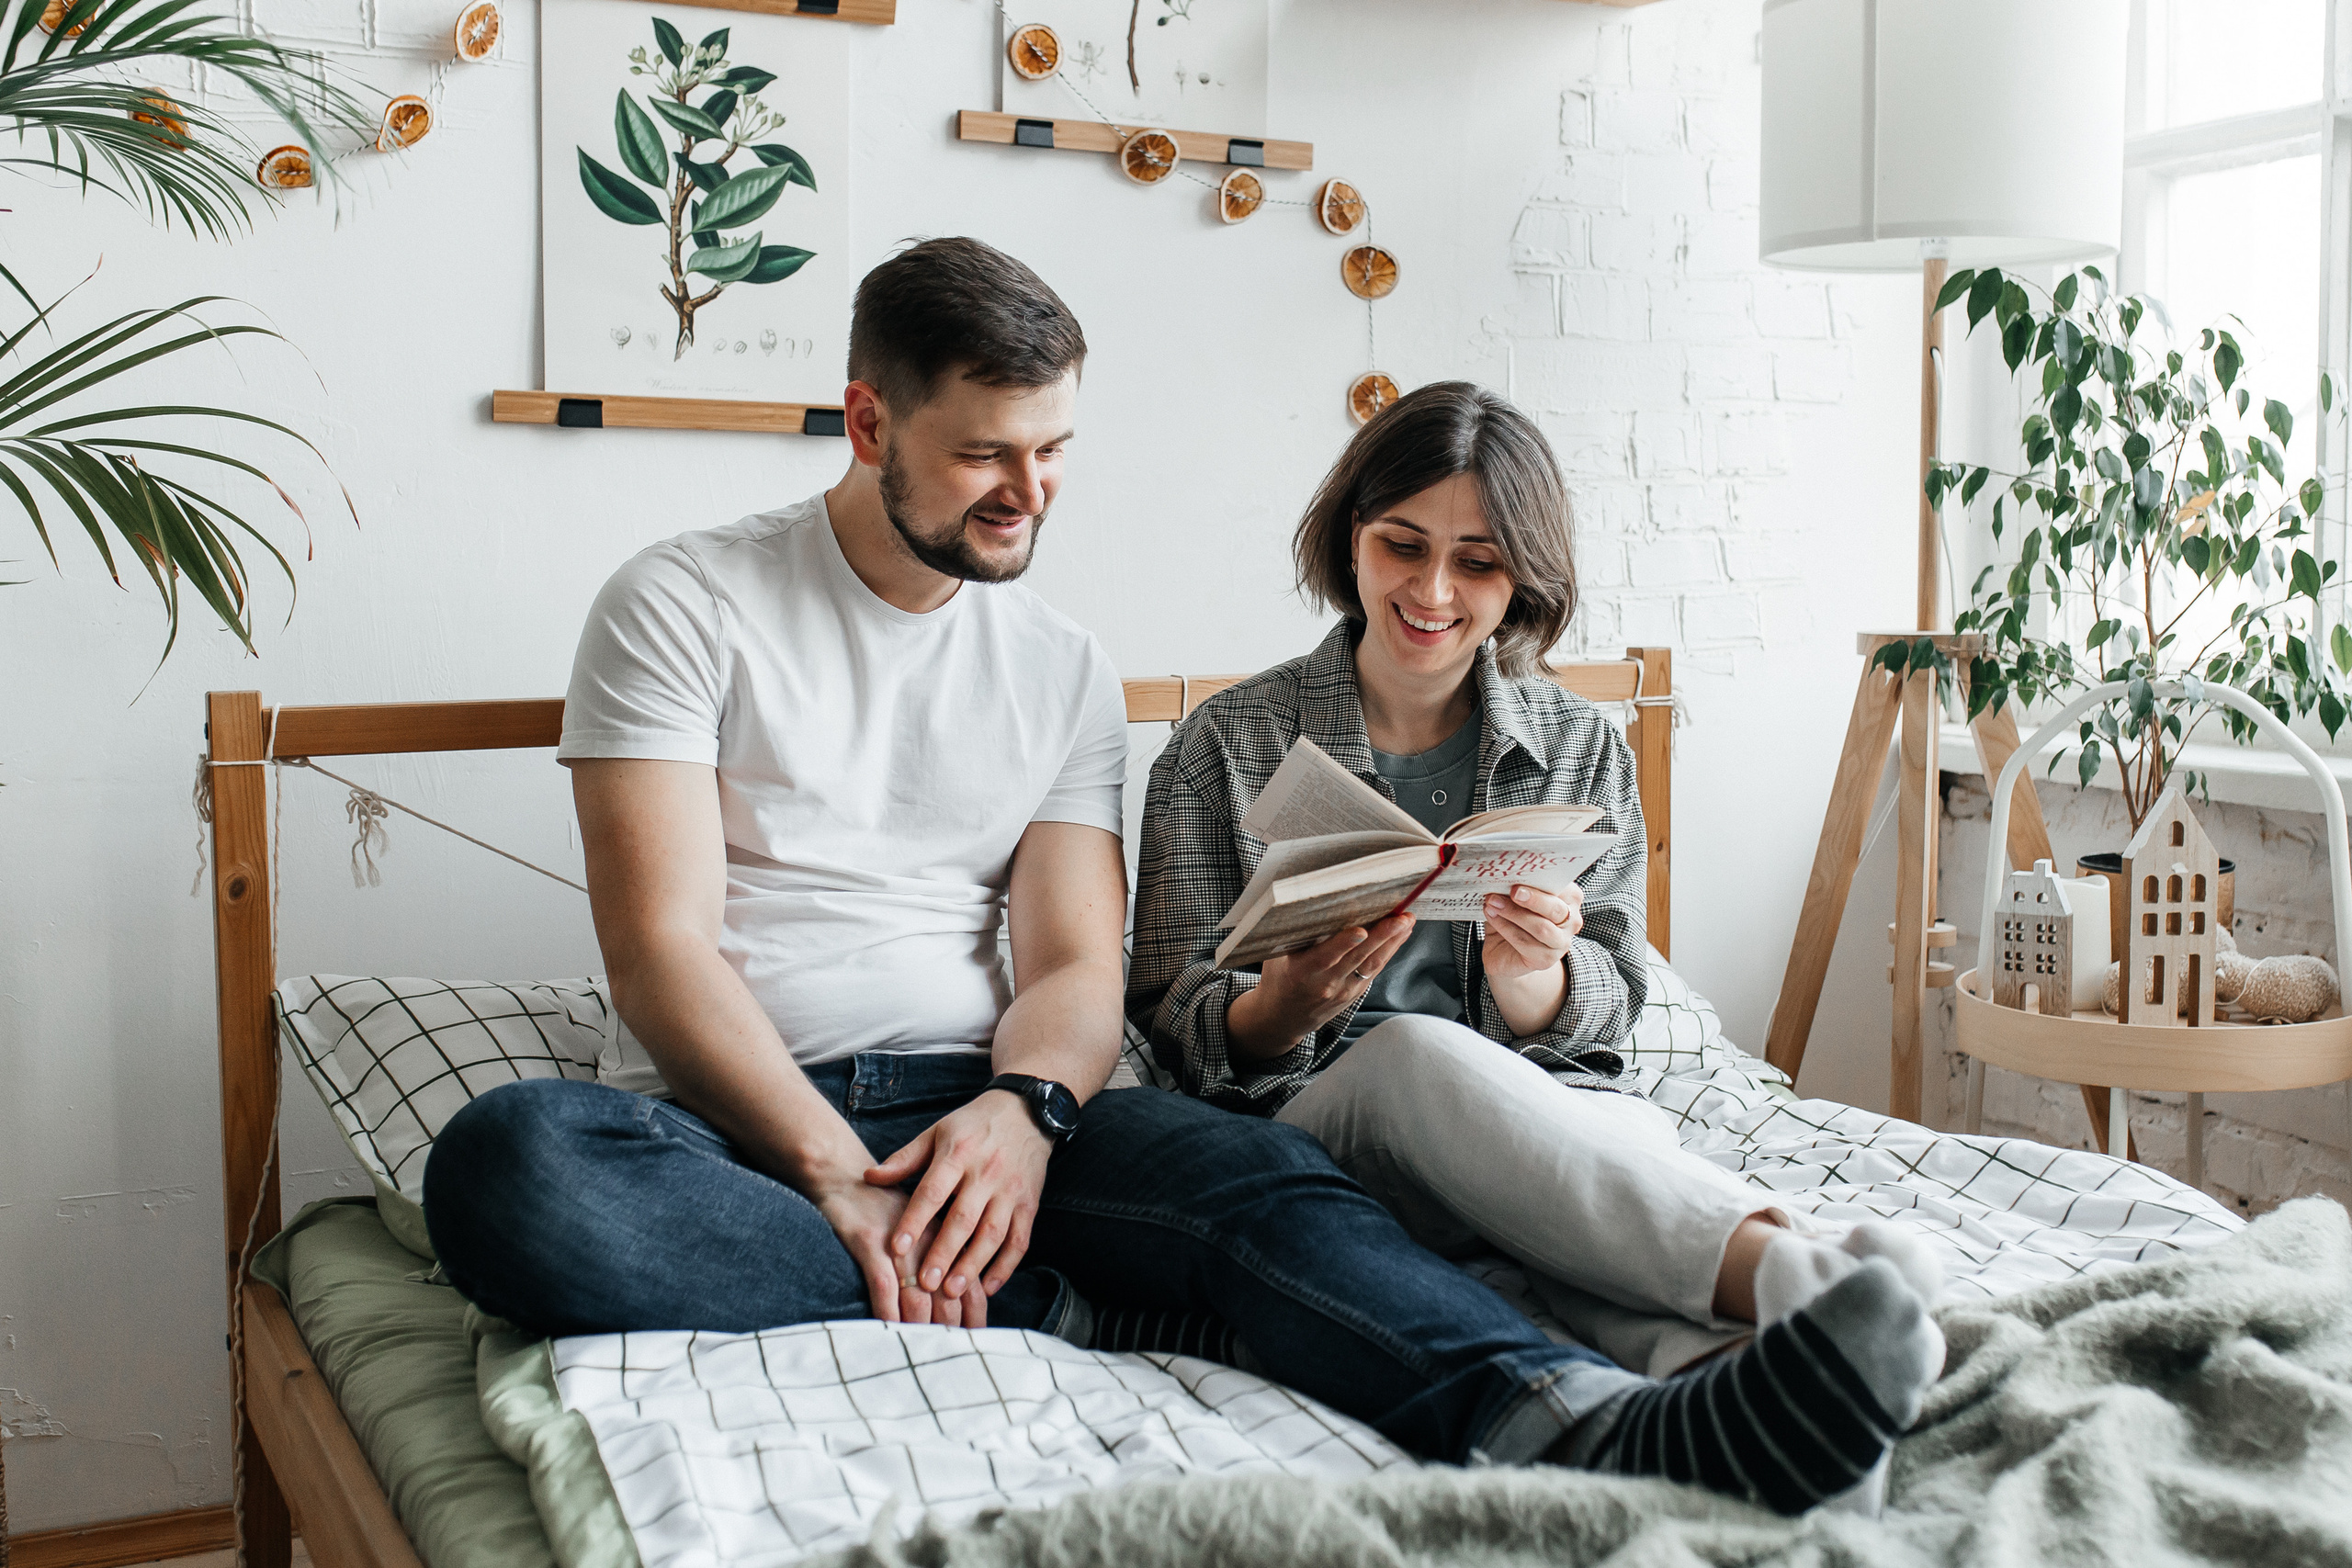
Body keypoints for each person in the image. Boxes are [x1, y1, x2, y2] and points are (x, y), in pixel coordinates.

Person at [425, 243, 1939, 1517]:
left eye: (1056, 449)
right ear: (868, 418)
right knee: (508, 1170)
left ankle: (1589, 1419)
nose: (1029, 490)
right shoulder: (680, 602)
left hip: (992, 1102)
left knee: (1269, 1182)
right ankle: (1051, 1299)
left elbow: (1080, 972)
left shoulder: (1060, 662)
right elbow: (663, 951)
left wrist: (1024, 1119)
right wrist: (833, 1170)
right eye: (985, 453)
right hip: (734, 1131)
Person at [1128, 380, 1946, 1506]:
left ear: (1521, 580)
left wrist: (1537, 980)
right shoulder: (1225, 743)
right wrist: (1284, 1007)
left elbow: (1614, 1001)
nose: (1431, 591)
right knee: (1417, 1056)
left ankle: (1759, 1401)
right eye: (1401, 546)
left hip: (1534, 1130)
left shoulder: (1582, 748)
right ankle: (1804, 1272)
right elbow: (1163, 1023)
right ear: (1349, 540)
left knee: (1578, 1183)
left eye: (1477, 562)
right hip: (1314, 1139)